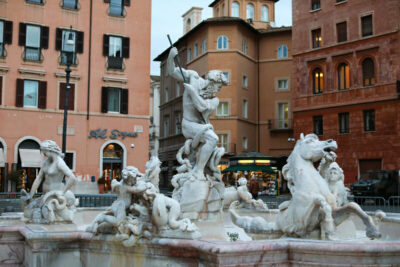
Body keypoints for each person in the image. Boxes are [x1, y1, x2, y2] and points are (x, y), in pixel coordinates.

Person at [166, 47, 228, 180]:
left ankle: (200, 169)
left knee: (212, 139)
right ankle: (198, 172)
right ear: (212, 82)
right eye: (218, 86)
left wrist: (192, 93)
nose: (218, 90)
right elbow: (171, 71)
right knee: (213, 138)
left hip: (202, 126)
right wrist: (171, 57)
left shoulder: (214, 100)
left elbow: (201, 107)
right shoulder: (193, 77)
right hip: (188, 125)